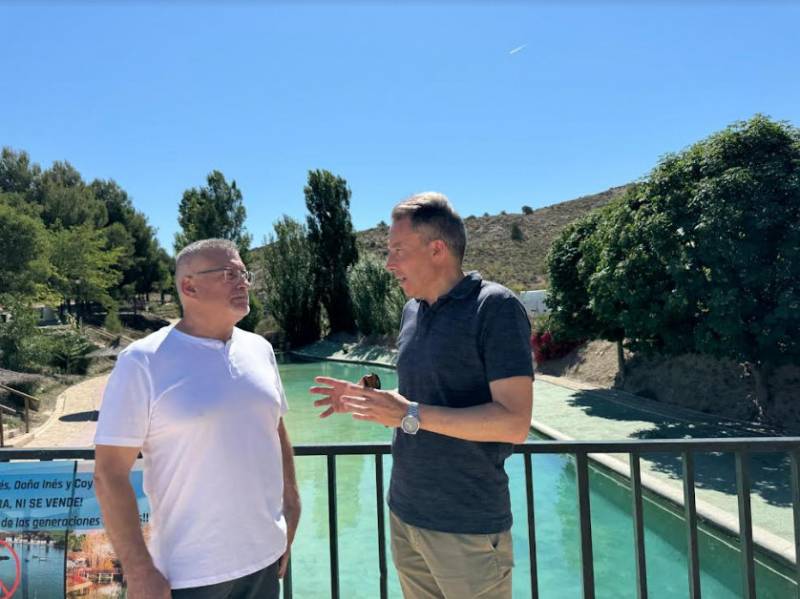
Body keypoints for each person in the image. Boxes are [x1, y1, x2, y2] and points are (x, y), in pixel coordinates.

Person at [312, 193, 533, 599]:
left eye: (398, 250)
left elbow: (515, 423)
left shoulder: (495, 308)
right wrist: (376, 402)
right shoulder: (412, 311)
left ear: (437, 249)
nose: (388, 263)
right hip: (405, 516)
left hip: (467, 527)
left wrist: (409, 412)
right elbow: (421, 400)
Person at [93, 239, 300, 599]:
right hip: (189, 576)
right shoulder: (142, 361)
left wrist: (292, 502)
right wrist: (140, 571)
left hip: (266, 560)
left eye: (243, 273)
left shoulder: (260, 350)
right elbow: (109, 473)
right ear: (189, 286)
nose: (243, 282)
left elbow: (274, 428)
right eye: (229, 274)